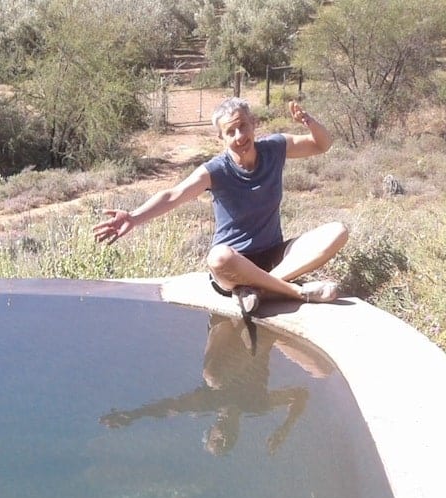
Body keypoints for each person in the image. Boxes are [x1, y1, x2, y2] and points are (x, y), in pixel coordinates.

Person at [93, 97, 349, 315]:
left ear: (253, 125)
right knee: (218, 257)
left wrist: (308, 121)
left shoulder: (274, 148)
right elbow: (174, 194)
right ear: (221, 137)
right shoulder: (215, 170)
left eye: (243, 127)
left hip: (274, 256)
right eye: (230, 132)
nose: (239, 136)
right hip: (235, 267)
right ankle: (296, 292)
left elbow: (322, 145)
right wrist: (134, 217)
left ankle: (262, 290)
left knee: (338, 231)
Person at [99, 314, 332, 456]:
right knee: (323, 370)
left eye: (215, 443)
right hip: (262, 338)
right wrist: (284, 429)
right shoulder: (256, 406)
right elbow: (299, 395)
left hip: (234, 333)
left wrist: (134, 415)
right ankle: (260, 324)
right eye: (226, 445)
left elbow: (170, 408)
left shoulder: (208, 402)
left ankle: (221, 316)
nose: (222, 441)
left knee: (214, 378)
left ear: (210, 431)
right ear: (237, 437)